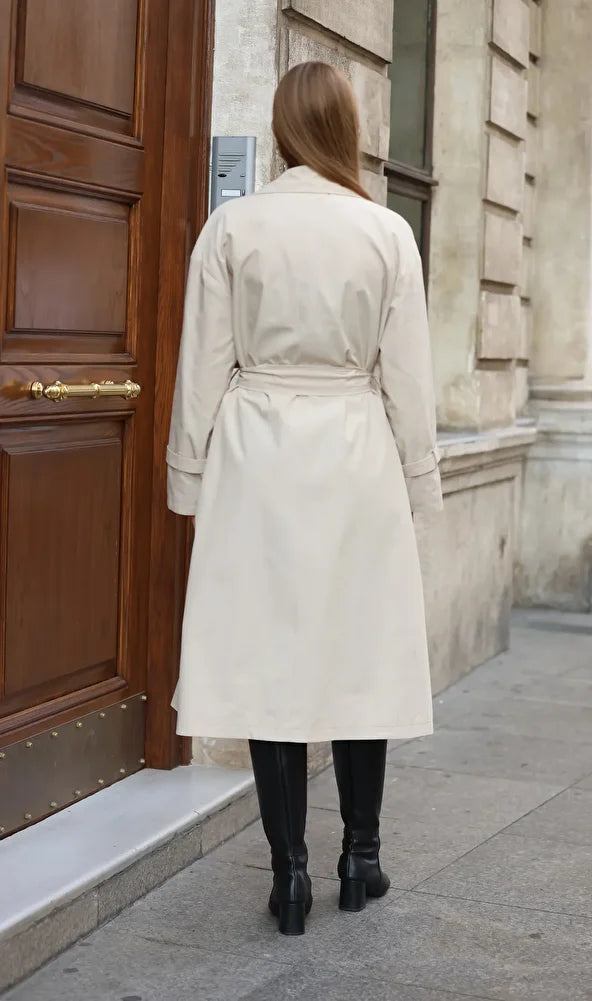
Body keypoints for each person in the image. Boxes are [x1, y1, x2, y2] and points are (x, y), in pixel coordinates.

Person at [166, 61, 443, 936]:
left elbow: (200, 364)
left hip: (258, 454)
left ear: (282, 128)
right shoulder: (386, 232)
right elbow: (409, 376)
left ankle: (288, 876)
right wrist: (421, 478)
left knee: (269, 661)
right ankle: (359, 856)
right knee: (360, 655)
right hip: (357, 450)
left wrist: (187, 476)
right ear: (347, 129)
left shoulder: (233, 226)